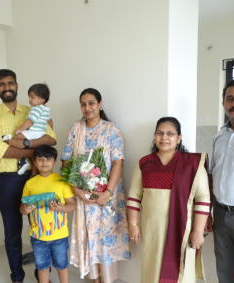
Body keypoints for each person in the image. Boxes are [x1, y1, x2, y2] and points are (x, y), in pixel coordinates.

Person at [0, 69, 56, 283]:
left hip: (35, 178)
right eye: (2, 84)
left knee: (41, 229)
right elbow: (0, 150)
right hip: (7, 181)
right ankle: (17, 277)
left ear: (16, 85)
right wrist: (34, 150)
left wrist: (25, 144)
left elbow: (51, 140)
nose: (7, 87)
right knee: (13, 232)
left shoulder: (34, 108)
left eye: (10, 83)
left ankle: (41, 276)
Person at [60, 88, 134, 283]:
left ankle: (107, 280)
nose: (87, 107)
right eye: (83, 104)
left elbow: (118, 162)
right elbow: (66, 162)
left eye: (91, 103)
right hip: (83, 195)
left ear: (100, 104)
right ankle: (94, 280)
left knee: (105, 239)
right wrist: (76, 190)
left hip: (107, 196)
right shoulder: (75, 129)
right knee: (88, 239)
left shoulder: (111, 129)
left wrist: (107, 192)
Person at [127, 117, 210, 283]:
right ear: (155, 136)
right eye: (160, 133)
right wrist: (133, 225)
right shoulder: (145, 163)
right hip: (152, 230)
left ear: (179, 137)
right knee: (152, 269)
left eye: (170, 133)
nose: (164, 137)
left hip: (183, 228)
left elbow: (203, 198)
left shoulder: (192, 164)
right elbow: (135, 196)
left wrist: (198, 231)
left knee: (181, 272)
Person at [205, 79, 234, 283]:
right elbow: (211, 174)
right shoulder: (219, 136)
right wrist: (207, 211)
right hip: (221, 214)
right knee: (224, 270)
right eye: (230, 98)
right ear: (223, 103)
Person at [20, 145, 76, 283]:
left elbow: (73, 205)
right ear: (35, 162)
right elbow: (22, 208)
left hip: (59, 235)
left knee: (62, 265)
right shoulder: (30, 184)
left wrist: (61, 208)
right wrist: (25, 210)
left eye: (48, 159)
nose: (44, 162)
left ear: (55, 162)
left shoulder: (62, 182)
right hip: (37, 235)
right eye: (40, 159)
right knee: (42, 266)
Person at [13, 83, 53, 175]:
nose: (29, 100)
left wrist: (20, 129)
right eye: (29, 97)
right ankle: (34, 174)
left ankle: (21, 160)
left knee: (15, 140)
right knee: (34, 154)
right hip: (41, 133)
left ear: (42, 99)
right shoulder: (46, 109)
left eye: (32, 97)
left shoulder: (36, 108)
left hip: (33, 132)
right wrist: (50, 130)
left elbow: (30, 121)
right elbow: (50, 121)